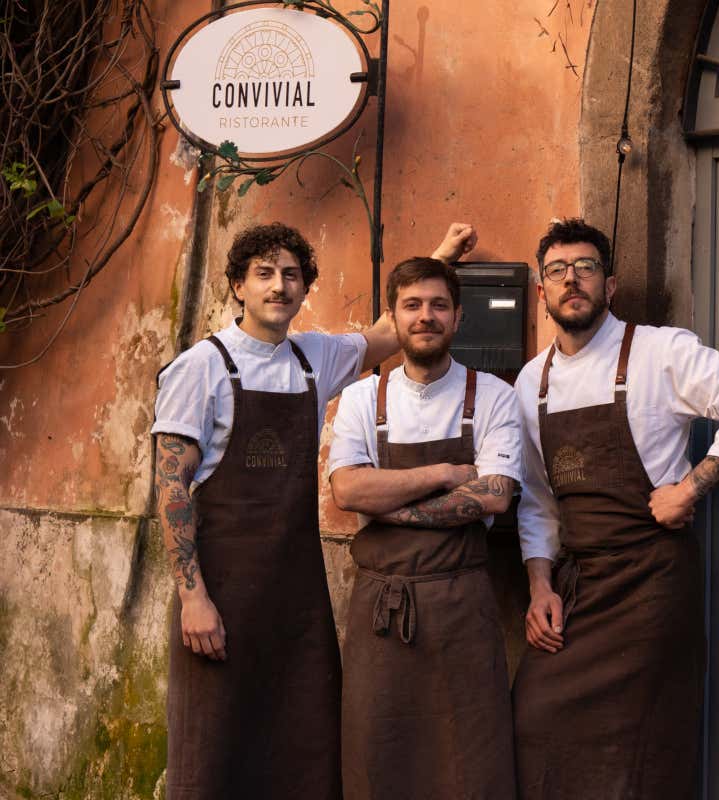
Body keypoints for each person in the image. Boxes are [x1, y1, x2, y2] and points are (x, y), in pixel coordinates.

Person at [152, 222, 476, 800]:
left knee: (305, 751)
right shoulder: (200, 367)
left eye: (291, 275)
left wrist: (442, 255)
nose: (279, 286)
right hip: (220, 598)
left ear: (305, 287)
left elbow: (387, 333)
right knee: (213, 753)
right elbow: (171, 488)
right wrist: (193, 598)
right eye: (264, 274)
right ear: (238, 286)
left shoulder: (314, 357)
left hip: (297, 600)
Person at [511, 218, 719, 799]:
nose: (571, 280)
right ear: (541, 291)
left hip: (653, 587)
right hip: (580, 587)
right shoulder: (531, 382)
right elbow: (537, 498)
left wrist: (691, 487)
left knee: (644, 748)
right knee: (536, 717)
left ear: (609, 285)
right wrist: (539, 586)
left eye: (585, 267)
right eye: (557, 271)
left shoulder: (661, 350)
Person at [328, 257, 522, 800]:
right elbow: (347, 491)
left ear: (458, 316)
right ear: (393, 318)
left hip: (463, 605)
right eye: (411, 305)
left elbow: (494, 494)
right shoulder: (362, 398)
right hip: (381, 610)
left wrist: (390, 504)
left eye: (438, 305)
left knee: (471, 764)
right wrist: (442, 474)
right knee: (376, 759)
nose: (425, 316)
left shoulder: (494, 396)